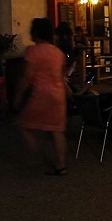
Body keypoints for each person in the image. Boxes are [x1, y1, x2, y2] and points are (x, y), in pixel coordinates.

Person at [14, 18, 69, 176]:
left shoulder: (33, 51)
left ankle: (36, 158)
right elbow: (61, 75)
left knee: (25, 125)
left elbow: (28, 76)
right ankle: (61, 165)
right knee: (56, 130)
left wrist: (18, 96)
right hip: (58, 95)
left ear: (35, 32)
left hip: (41, 94)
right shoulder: (58, 53)